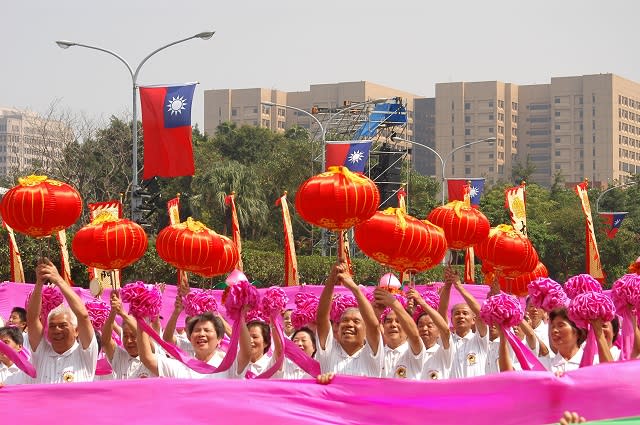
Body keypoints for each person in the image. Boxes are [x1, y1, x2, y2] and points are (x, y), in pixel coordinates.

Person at [26, 258, 98, 383]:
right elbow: (32, 319)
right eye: (52, 326)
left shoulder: (86, 353)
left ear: (76, 331)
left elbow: (83, 316)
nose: (57, 330)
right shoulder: (42, 352)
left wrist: (58, 280)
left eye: (63, 325)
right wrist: (39, 283)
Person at [137, 310, 251, 379]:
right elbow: (147, 358)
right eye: (196, 330)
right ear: (189, 338)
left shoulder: (228, 365)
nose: (201, 334)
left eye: (207, 330)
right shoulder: (181, 365)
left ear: (219, 338)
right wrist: (141, 319)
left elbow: (246, 353)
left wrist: (240, 316)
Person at [316, 262, 383, 377]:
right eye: (345, 320)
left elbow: (373, 325)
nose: (349, 324)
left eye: (356, 321)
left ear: (366, 331)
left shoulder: (372, 354)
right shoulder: (328, 353)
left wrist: (354, 288)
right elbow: (322, 319)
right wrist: (332, 279)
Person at [439, 267, 489, 378]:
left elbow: (480, 313)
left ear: (473, 320)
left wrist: (459, 287)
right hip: (453, 394)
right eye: (457, 314)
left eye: (465, 313)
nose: (461, 316)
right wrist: (447, 286)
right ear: (451, 319)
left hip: (476, 394)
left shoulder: (480, 340)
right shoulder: (448, 339)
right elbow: (441, 314)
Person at [101, 290, 156, 379]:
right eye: (125, 336)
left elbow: (143, 335)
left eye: (133, 336)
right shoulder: (119, 356)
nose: (129, 341)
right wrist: (113, 311)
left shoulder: (152, 355)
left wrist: (122, 313)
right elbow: (105, 342)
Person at [541, 308, 612, 374]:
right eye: (553, 327)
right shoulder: (542, 365)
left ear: (577, 331)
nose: (554, 330)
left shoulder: (595, 363)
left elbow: (611, 374)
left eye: (561, 325)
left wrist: (598, 328)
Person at [376, 288, 425, 380]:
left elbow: (414, 336)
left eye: (398, 321)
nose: (393, 325)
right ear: (383, 325)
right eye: (389, 321)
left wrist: (394, 303)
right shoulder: (377, 353)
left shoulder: (414, 352)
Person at [407, 289, 452, 380]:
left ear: (438, 331)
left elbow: (445, 330)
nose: (424, 329)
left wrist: (422, 302)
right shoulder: (408, 351)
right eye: (420, 325)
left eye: (429, 326)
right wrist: (410, 311)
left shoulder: (444, 352)